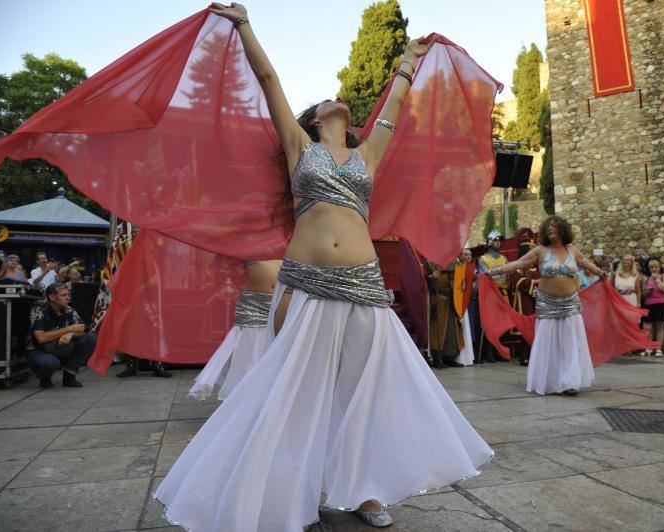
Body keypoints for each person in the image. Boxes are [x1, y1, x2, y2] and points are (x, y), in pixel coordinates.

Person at [155, 5, 493, 531]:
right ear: (316, 117)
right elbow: (268, 78)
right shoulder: (298, 148)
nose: (342, 97)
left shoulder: (369, 155)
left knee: (363, 391)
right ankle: (292, 487)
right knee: (294, 389)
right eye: (330, 99)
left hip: (362, 285)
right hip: (305, 285)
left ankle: (364, 489)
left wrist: (408, 60)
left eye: (347, 100)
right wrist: (243, 24)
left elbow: (396, 107)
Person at [487, 215, 604, 396]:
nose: (550, 229)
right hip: (547, 303)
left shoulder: (572, 250)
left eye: (554, 226)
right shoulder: (540, 251)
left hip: (571, 302)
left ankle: (570, 381)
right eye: (547, 227)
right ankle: (550, 380)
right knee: (548, 343)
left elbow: (585, 262)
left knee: (571, 343)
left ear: (563, 230)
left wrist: (599, 272)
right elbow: (519, 263)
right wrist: (495, 271)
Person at [189, 260, 282, 400]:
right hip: (255, 301)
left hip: (286, 294)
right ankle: (245, 400)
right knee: (250, 348)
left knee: (277, 349)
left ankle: (267, 400)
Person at [27, 283, 97, 388]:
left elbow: (84, 328)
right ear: (52, 297)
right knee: (50, 363)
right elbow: (41, 338)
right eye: (64, 295)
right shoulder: (39, 309)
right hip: (39, 350)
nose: (68, 298)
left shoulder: (68, 309)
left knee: (90, 338)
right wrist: (68, 329)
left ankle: (69, 374)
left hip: (60, 347)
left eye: (68, 294)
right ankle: (45, 377)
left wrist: (71, 333)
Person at [475, 231, 509, 362]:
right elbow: (487, 276)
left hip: (502, 294)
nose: (498, 243)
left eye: (500, 240)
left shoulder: (504, 259)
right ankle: (488, 353)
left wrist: (499, 273)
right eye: (495, 240)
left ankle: (499, 351)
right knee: (489, 324)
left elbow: (505, 275)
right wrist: (501, 272)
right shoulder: (483, 259)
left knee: (502, 323)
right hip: (490, 295)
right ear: (489, 242)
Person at [640, 259, 664, 356]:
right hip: (648, 304)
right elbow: (643, 294)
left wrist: (657, 280)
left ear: (659, 267)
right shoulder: (645, 278)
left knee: (660, 326)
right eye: (651, 267)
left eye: (656, 266)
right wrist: (647, 293)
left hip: (661, 304)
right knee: (648, 327)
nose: (654, 269)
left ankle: (658, 348)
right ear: (648, 268)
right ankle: (648, 347)